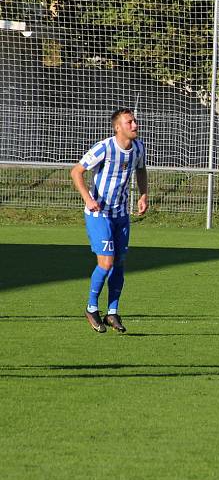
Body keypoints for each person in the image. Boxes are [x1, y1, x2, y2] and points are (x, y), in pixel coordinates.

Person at [70, 108, 148, 333]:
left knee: (120, 262)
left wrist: (143, 195)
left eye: (135, 121)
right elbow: (76, 172)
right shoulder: (104, 148)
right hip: (99, 214)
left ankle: (112, 313)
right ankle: (91, 308)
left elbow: (141, 170)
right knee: (106, 262)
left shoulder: (138, 148)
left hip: (120, 214)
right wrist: (88, 198)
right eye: (129, 122)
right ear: (118, 127)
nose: (135, 125)